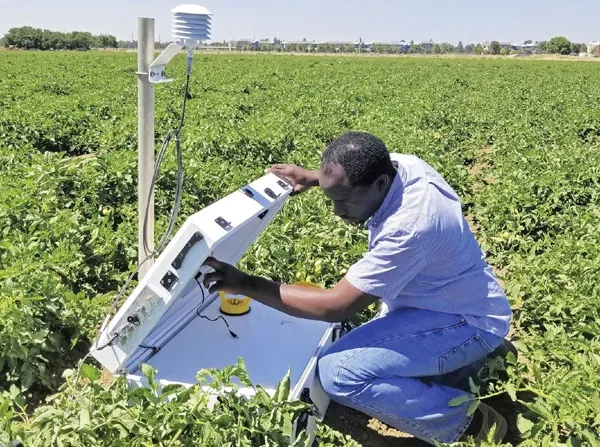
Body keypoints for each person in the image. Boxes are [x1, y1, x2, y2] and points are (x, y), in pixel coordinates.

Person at [202, 131, 512, 445]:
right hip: (454, 299)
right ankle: (468, 362)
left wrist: (245, 283)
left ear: (379, 183)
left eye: (344, 199)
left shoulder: (411, 226)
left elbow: (334, 307)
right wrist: (312, 177)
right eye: (332, 197)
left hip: (464, 320)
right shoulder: (402, 168)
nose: (337, 211)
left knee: (340, 373)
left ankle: (468, 424)